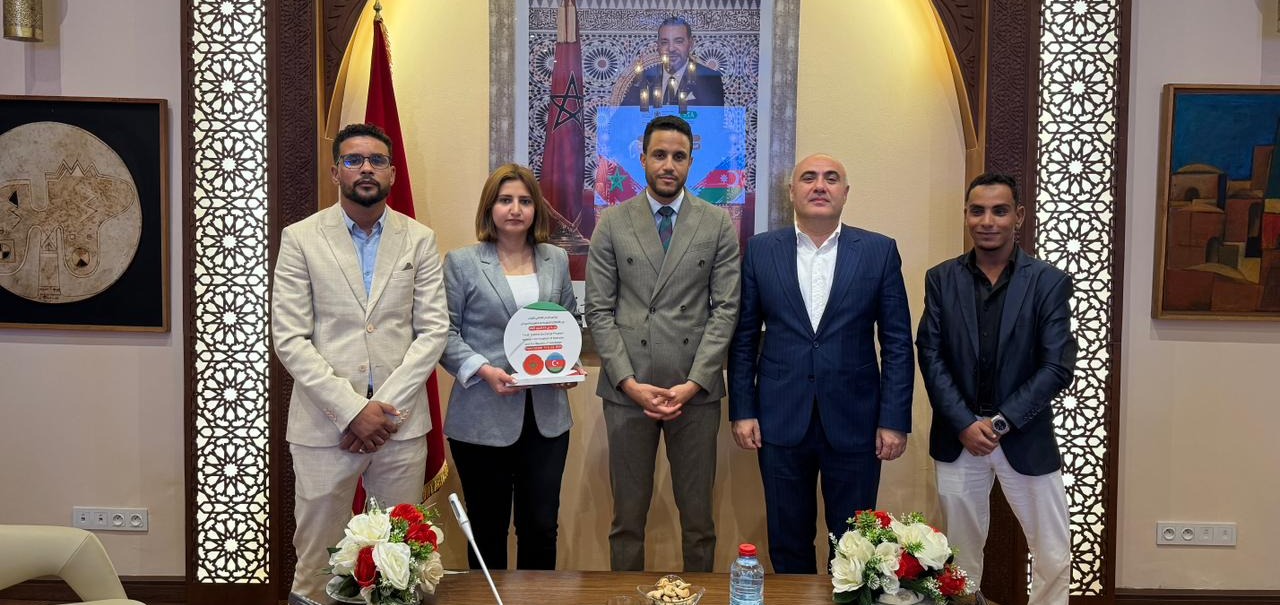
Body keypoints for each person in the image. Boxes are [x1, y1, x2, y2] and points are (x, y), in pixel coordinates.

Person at [272, 123, 448, 604]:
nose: (366, 168)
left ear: (392, 172)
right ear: (336, 172)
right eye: (354, 160)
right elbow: (290, 337)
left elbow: (433, 331)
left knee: (400, 559)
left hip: (398, 427)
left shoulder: (419, 239)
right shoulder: (301, 238)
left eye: (376, 160)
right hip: (324, 425)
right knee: (317, 560)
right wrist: (353, 411)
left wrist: (381, 411)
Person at [727, 153, 914, 574]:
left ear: (845, 193)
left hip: (856, 421)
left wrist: (894, 419)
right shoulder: (761, 251)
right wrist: (743, 409)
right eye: (808, 178)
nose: (819, 186)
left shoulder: (879, 251)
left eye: (831, 178)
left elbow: (898, 343)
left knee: (855, 547)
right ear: (791, 191)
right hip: (779, 418)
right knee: (787, 540)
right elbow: (744, 338)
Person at [585, 114, 740, 572]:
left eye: (678, 156)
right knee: (627, 520)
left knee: (699, 520)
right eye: (659, 155)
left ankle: (700, 598)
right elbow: (599, 311)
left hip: (695, 392)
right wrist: (630, 383)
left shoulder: (717, 223)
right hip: (627, 391)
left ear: (691, 161)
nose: (668, 165)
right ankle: (624, 600)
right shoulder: (612, 222)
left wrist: (694, 383)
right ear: (643, 158)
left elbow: (726, 309)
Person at [917, 173, 1076, 605]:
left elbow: (1057, 366)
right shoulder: (941, 279)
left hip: (1024, 434)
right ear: (966, 215)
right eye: (978, 211)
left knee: (1053, 552)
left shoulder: (1047, 282)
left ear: (1018, 216)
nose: (987, 221)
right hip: (959, 437)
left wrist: (1001, 422)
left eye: (999, 211)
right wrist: (964, 423)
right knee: (959, 557)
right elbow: (930, 355)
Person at [439, 164, 582, 571]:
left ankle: (537, 599)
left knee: (541, 527)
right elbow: (443, 333)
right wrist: (484, 370)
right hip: (481, 417)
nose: (515, 209)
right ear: (490, 207)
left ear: (536, 209)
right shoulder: (462, 263)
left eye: (524, 201)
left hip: (547, 420)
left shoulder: (555, 259)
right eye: (505, 200)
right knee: (487, 529)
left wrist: (567, 364)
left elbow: (567, 321)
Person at [621, 16, 725, 107]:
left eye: (678, 41)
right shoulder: (645, 77)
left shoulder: (709, 79)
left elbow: (712, 121)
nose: (671, 49)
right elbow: (621, 118)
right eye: (664, 42)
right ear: (658, 46)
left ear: (690, 44)